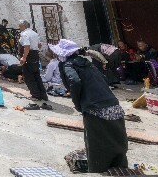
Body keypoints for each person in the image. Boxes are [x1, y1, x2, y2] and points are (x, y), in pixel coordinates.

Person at [53, 39, 128, 173]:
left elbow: (74, 81)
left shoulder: (68, 64)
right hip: (112, 103)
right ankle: (120, 168)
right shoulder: (86, 63)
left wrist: (77, 104)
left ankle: (99, 170)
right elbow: (104, 79)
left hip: (94, 108)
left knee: (97, 144)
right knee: (117, 140)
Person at [18, 20, 49, 105]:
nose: (19, 28)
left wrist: (24, 58)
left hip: (28, 56)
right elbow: (39, 45)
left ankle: (35, 95)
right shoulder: (34, 33)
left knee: (28, 76)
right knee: (36, 75)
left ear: (23, 26)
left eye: (20, 26)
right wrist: (36, 51)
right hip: (35, 55)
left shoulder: (24, 34)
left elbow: (27, 46)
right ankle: (43, 94)